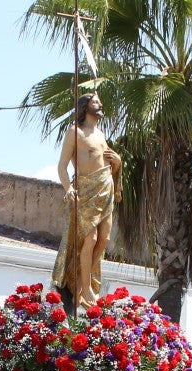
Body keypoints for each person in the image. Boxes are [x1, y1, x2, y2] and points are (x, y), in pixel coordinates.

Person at [53, 93, 123, 309]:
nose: (100, 104)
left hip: (105, 189)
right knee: (90, 239)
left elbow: (109, 164)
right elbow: (62, 165)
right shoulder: (75, 132)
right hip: (86, 190)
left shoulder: (101, 135)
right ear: (85, 107)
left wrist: (118, 162)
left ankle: (81, 279)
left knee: (104, 238)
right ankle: (86, 287)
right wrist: (68, 187)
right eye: (95, 102)